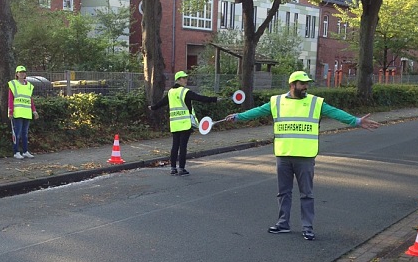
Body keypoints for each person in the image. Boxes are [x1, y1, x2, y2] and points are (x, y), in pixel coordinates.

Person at [227, 70, 380, 240]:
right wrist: (238, 117)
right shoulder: (276, 101)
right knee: (283, 192)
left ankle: (307, 227)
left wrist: (356, 121)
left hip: (305, 156)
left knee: (306, 194)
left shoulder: (316, 102)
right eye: (302, 83)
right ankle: (283, 223)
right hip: (284, 155)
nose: (305, 86)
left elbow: (336, 113)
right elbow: (257, 111)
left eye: (307, 83)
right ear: (292, 85)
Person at [149, 70, 218, 176]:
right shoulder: (185, 92)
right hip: (185, 123)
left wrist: (153, 108)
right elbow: (200, 98)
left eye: (186, 77)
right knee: (183, 146)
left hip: (174, 123)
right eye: (184, 78)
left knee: (175, 146)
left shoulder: (171, 92)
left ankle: (173, 168)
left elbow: (162, 103)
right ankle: (181, 168)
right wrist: (214, 99)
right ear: (179, 79)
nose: (186, 80)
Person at [8, 65, 38, 158]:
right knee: (17, 133)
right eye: (20, 72)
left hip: (26, 112)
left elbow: (30, 99)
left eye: (23, 72)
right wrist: (10, 111)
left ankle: (25, 151)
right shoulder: (13, 84)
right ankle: (16, 152)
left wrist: (34, 111)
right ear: (16, 74)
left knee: (25, 133)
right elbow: (10, 99)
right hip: (17, 113)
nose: (22, 74)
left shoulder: (29, 85)